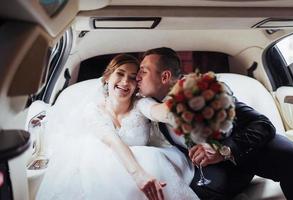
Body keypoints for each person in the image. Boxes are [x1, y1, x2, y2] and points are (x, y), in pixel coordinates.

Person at [136, 47, 293, 200]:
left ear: (165, 76)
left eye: (143, 71)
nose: (137, 77)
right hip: (206, 170)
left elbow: (263, 124)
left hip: (243, 153)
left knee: (292, 156)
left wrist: (224, 150)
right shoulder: (148, 104)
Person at [36, 54, 198, 200]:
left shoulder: (141, 103)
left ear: (137, 85)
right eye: (120, 74)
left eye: (133, 78)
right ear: (107, 77)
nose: (125, 82)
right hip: (106, 174)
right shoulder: (94, 110)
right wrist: (139, 175)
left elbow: (160, 112)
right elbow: (113, 142)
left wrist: (184, 100)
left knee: (149, 157)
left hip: (147, 170)